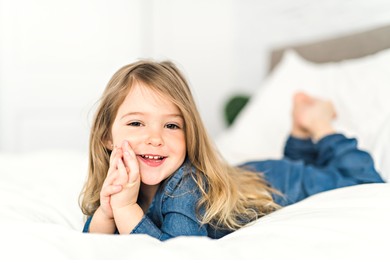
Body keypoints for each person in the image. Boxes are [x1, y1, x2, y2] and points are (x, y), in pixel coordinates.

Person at [80, 60, 384, 241]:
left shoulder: (185, 185)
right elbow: (93, 245)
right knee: (300, 165)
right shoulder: (118, 181)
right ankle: (299, 134)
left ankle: (317, 124)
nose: (155, 138)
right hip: (251, 177)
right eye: (136, 123)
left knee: (363, 180)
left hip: (281, 182)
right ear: (107, 136)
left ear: (191, 135)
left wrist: (124, 210)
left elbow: (175, 259)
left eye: (172, 126)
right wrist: (107, 210)